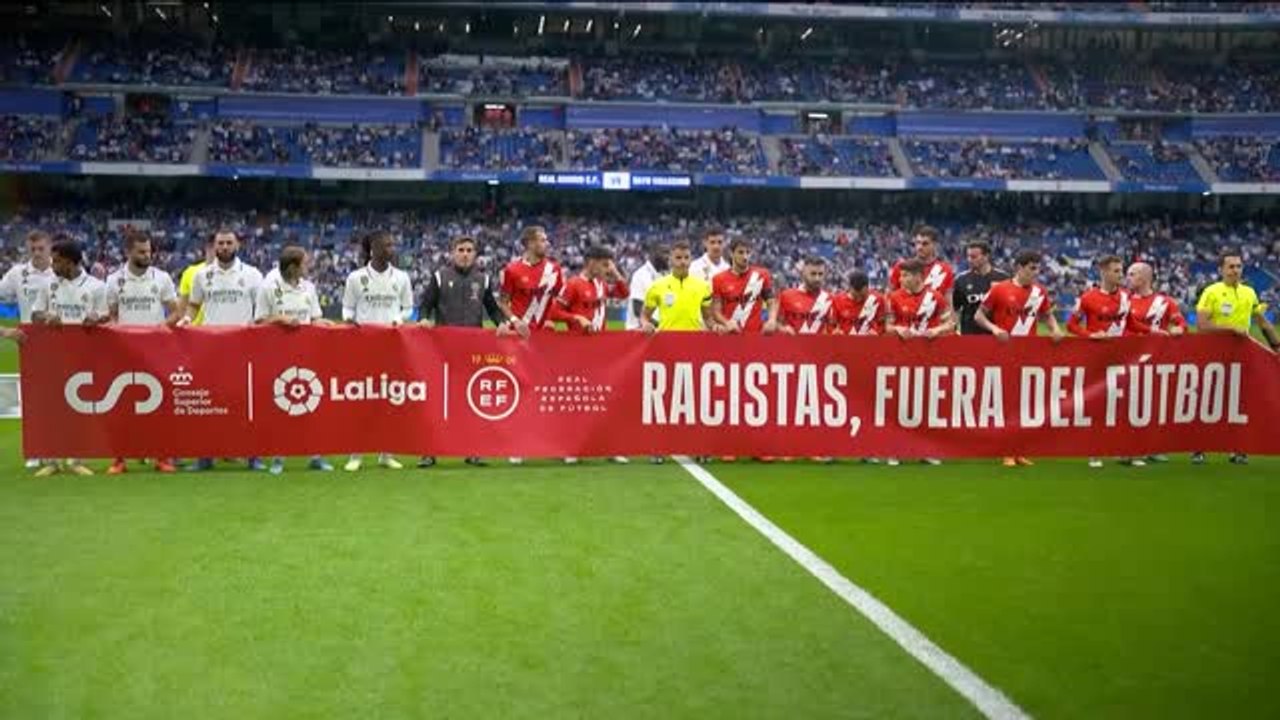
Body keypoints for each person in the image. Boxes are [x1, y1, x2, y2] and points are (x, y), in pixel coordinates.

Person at [417, 235, 522, 468]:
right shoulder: (439, 277)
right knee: (438, 402)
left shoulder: (482, 279)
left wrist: (501, 323)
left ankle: (472, 450)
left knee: (469, 402)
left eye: (469, 250)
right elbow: (425, 305)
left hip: (472, 352)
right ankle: (429, 451)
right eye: (461, 249)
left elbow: (493, 309)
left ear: (475, 254)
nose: (465, 254)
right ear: (452, 252)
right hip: (441, 351)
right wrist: (423, 319)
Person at [184, 229, 266, 472]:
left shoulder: (252, 275)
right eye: (220, 243)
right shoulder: (202, 275)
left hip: (244, 348)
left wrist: (254, 326)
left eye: (229, 242)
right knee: (209, 404)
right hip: (211, 349)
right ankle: (205, 457)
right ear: (214, 246)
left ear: (237, 244)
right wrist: (187, 320)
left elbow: (259, 310)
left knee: (247, 404)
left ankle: (254, 456)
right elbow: (193, 305)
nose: (225, 247)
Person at [974, 250, 1065, 468]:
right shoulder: (1000, 289)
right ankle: (1006, 451)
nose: (1036, 272)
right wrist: (995, 329)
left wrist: (1054, 329)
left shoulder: (1039, 292)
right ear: (1020, 267)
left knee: (1026, 403)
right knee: (1007, 403)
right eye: (1032, 268)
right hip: (1004, 353)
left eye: (1037, 268)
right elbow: (979, 315)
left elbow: (1047, 314)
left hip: (1029, 354)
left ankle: (1019, 450)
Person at [1192, 249, 1280, 466]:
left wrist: (1277, 345)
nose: (1235, 270)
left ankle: (1238, 449)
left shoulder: (1249, 293)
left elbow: (1261, 322)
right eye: (1231, 266)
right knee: (1208, 402)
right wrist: (1231, 328)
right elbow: (1202, 325)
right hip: (1213, 355)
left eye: (1238, 266)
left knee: (1240, 404)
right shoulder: (1211, 292)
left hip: (1242, 355)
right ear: (1221, 269)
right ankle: (1198, 447)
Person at [104, 229, 180, 475]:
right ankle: (119, 459)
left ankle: (163, 457)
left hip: (156, 352)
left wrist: (162, 328)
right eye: (141, 251)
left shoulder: (162, 278)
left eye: (148, 251)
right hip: (124, 351)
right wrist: (118, 332)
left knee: (160, 405)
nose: (147, 255)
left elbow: (177, 311)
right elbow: (112, 314)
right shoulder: (114, 280)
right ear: (128, 252)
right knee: (122, 406)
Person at [255, 245, 335, 475]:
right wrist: (281, 319)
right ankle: (278, 458)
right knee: (282, 408)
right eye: (305, 263)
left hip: (308, 355)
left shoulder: (309, 288)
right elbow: (258, 320)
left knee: (312, 407)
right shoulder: (269, 287)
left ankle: (316, 456)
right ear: (293, 267)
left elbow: (314, 318)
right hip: (278, 356)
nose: (308, 267)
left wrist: (325, 323)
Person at [30, 239, 107, 477]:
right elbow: (34, 314)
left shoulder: (95, 286)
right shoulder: (47, 285)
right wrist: (46, 317)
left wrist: (97, 317)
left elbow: (106, 316)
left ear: (71, 262)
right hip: (54, 354)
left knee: (80, 408)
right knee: (52, 408)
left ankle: (76, 459)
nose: (53, 265)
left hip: (85, 355)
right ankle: (52, 461)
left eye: (57, 261)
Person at [341, 230, 414, 472]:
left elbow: (408, 309)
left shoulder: (402, 277)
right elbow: (347, 310)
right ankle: (356, 455)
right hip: (362, 348)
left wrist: (397, 319)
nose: (391, 249)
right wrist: (353, 322)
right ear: (373, 249)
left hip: (392, 347)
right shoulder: (355, 277)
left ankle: (386, 453)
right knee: (360, 401)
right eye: (386, 246)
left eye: (393, 245)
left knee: (389, 401)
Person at [1067, 254, 1148, 469]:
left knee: (1124, 405)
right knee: (1098, 405)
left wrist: (1154, 331)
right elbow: (1072, 325)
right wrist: (1090, 336)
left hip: (1122, 358)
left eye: (1121, 271)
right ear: (1103, 272)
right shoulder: (1088, 298)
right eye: (1116, 271)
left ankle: (1125, 452)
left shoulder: (1125, 297)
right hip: (1097, 358)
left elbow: (1131, 323)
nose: (1121, 275)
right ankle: (1094, 452)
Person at [552, 245, 630, 465]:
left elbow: (624, 293)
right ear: (591, 262)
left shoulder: (601, 284)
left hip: (601, 351)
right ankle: (570, 447)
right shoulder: (574, 284)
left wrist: (616, 274)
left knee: (604, 401)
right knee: (577, 403)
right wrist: (577, 318)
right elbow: (555, 311)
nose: (608, 268)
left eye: (609, 264)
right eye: (604, 264)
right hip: (578, 351)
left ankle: (608, 448)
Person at [641, 240, 715, 465]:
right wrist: (645, 323)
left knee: (695, 400)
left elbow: (708, 317)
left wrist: (715, 327)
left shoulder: (702, 286)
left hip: (695, 348)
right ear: (670, 260)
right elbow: (645, 314)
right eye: (678, 258)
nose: (682, 262)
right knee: (665, 399)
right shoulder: (658, 286)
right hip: (665, 349)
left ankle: (699, 446)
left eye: (686, 258)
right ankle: (659, 447)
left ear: (690, 259)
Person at [498, 225, 560, 465]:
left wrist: (552, 320)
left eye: (546, 239)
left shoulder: (554, 270)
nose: (546, 243)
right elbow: (503, 302)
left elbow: (555, 301)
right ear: (529, 244)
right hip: (519, 338)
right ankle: (516, 444)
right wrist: (514, 321)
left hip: (543, 340)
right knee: (518, 390)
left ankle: (549, 442)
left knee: (545, 391)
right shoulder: (511, 270)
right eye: (542, 240)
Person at [886, 258, 955, 467]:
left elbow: (951, 322)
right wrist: (898, 329)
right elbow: (886, 326)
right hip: (900, 358)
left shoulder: (935, 297)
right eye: (900, 275)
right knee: (899, 405)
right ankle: (895, 450)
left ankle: (925, 450)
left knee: (926, 405)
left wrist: (937, 330)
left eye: (905, 275)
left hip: (928, 358)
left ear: (918, 276)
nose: (900, 278)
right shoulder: (893, 297)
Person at [0, 229, 56, 469]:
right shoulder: (16, 274)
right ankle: (36, 450)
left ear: (50, 248)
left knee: (64, 400)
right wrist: (5, 331)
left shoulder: (63, 270)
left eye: (41, 249)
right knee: (33, 401)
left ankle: (65, 448)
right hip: (31, 345)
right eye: (32, 249)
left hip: (64, 344)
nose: (36, 254)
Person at [1126, 261, 1187, 464]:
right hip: (1128, 359)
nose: (1128, 277)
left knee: (1154, 405)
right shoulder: (1123, 299)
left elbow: (1180, 323)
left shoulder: (1164, 302)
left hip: (1157, 360)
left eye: (1132, 274)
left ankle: (1153, 447)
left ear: (1145, 277)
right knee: (1128, 405)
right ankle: (1126, 447)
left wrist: (1178, 329)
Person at [710, 237, 777, 335]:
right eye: (740, 252)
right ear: (731, 253)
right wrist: (726, 322)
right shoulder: (718, 279)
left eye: (748, 252)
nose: (745, 257)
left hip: (756, 337)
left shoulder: (762, 275)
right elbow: (716, 312)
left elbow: (771, 302)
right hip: (730, 337)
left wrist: (772, 320)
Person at [888, 225, 955, 307]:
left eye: (925, 244)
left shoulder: (945, 270)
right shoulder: (902, 267)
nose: (920, 247)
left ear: (934, 245)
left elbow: (948, 303)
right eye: (918, 243)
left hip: (933, 317)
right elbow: (889, 297)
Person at [952, 240, 1009, 335]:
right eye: (968, 256)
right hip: (970, 337)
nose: (969, 260)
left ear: (986, 256)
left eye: (974, 257)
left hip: (996, 336)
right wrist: (954, 327)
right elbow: (955, 308)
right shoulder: (961, 280)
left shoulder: (1003, 278)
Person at [776, 257, 837, 336]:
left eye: (820, 274)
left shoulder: (830, 299)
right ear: (803, 273)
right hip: (792, 346)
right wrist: (782, 329)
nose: (817, 278)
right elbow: (774, 323)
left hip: (820, 347)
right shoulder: (786, 296)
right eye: (813, 274)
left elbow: (834, 326)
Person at [626, 242, 667, 331]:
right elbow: (637, 309)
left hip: (656, 331)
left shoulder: (664, 276)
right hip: (638, 332)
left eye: (668, 253)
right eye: (664, 253)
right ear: (653, 254)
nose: (668, 257)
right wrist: (661, 324)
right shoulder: (640, 275)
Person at [177, 233, 216, 326]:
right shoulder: (190, 272)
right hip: (196, 331)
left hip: (219, 329)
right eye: (215, 246)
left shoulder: (228, 274)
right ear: (208, 247)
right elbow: (182, 305)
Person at [833, 271, 888, 336]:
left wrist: (877, 333)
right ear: (850, 288)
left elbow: (884, 325)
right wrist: (836, 332)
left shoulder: (878, 300)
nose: (859, 299)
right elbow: (832, 325)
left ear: (867, 288)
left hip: (870, 344)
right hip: (845, 344)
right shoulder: (838, 300)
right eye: (855, 297)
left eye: (862, 296)